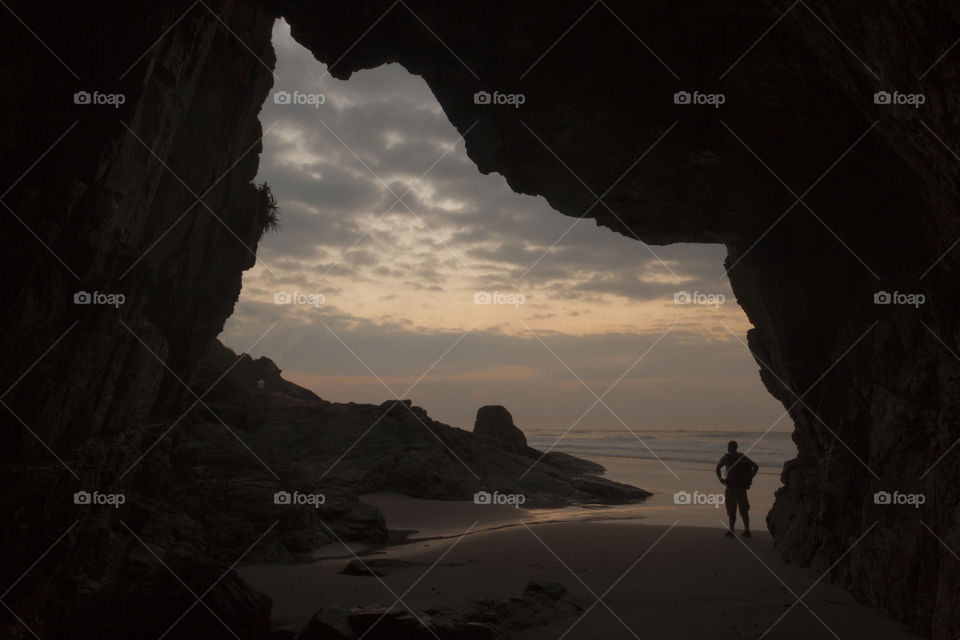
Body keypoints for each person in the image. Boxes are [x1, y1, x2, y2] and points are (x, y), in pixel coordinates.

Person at [716, 440, 759, 538]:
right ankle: (747, 530)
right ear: (737, 447)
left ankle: (731, 530)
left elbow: (717, 468)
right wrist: (749, 477)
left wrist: (721, 479)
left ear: (728, 447)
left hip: (731, 487)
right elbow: (756, 466)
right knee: (744, 509)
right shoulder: (742, 457)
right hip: (742, 487)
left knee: (731, 509)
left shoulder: (726, 457)